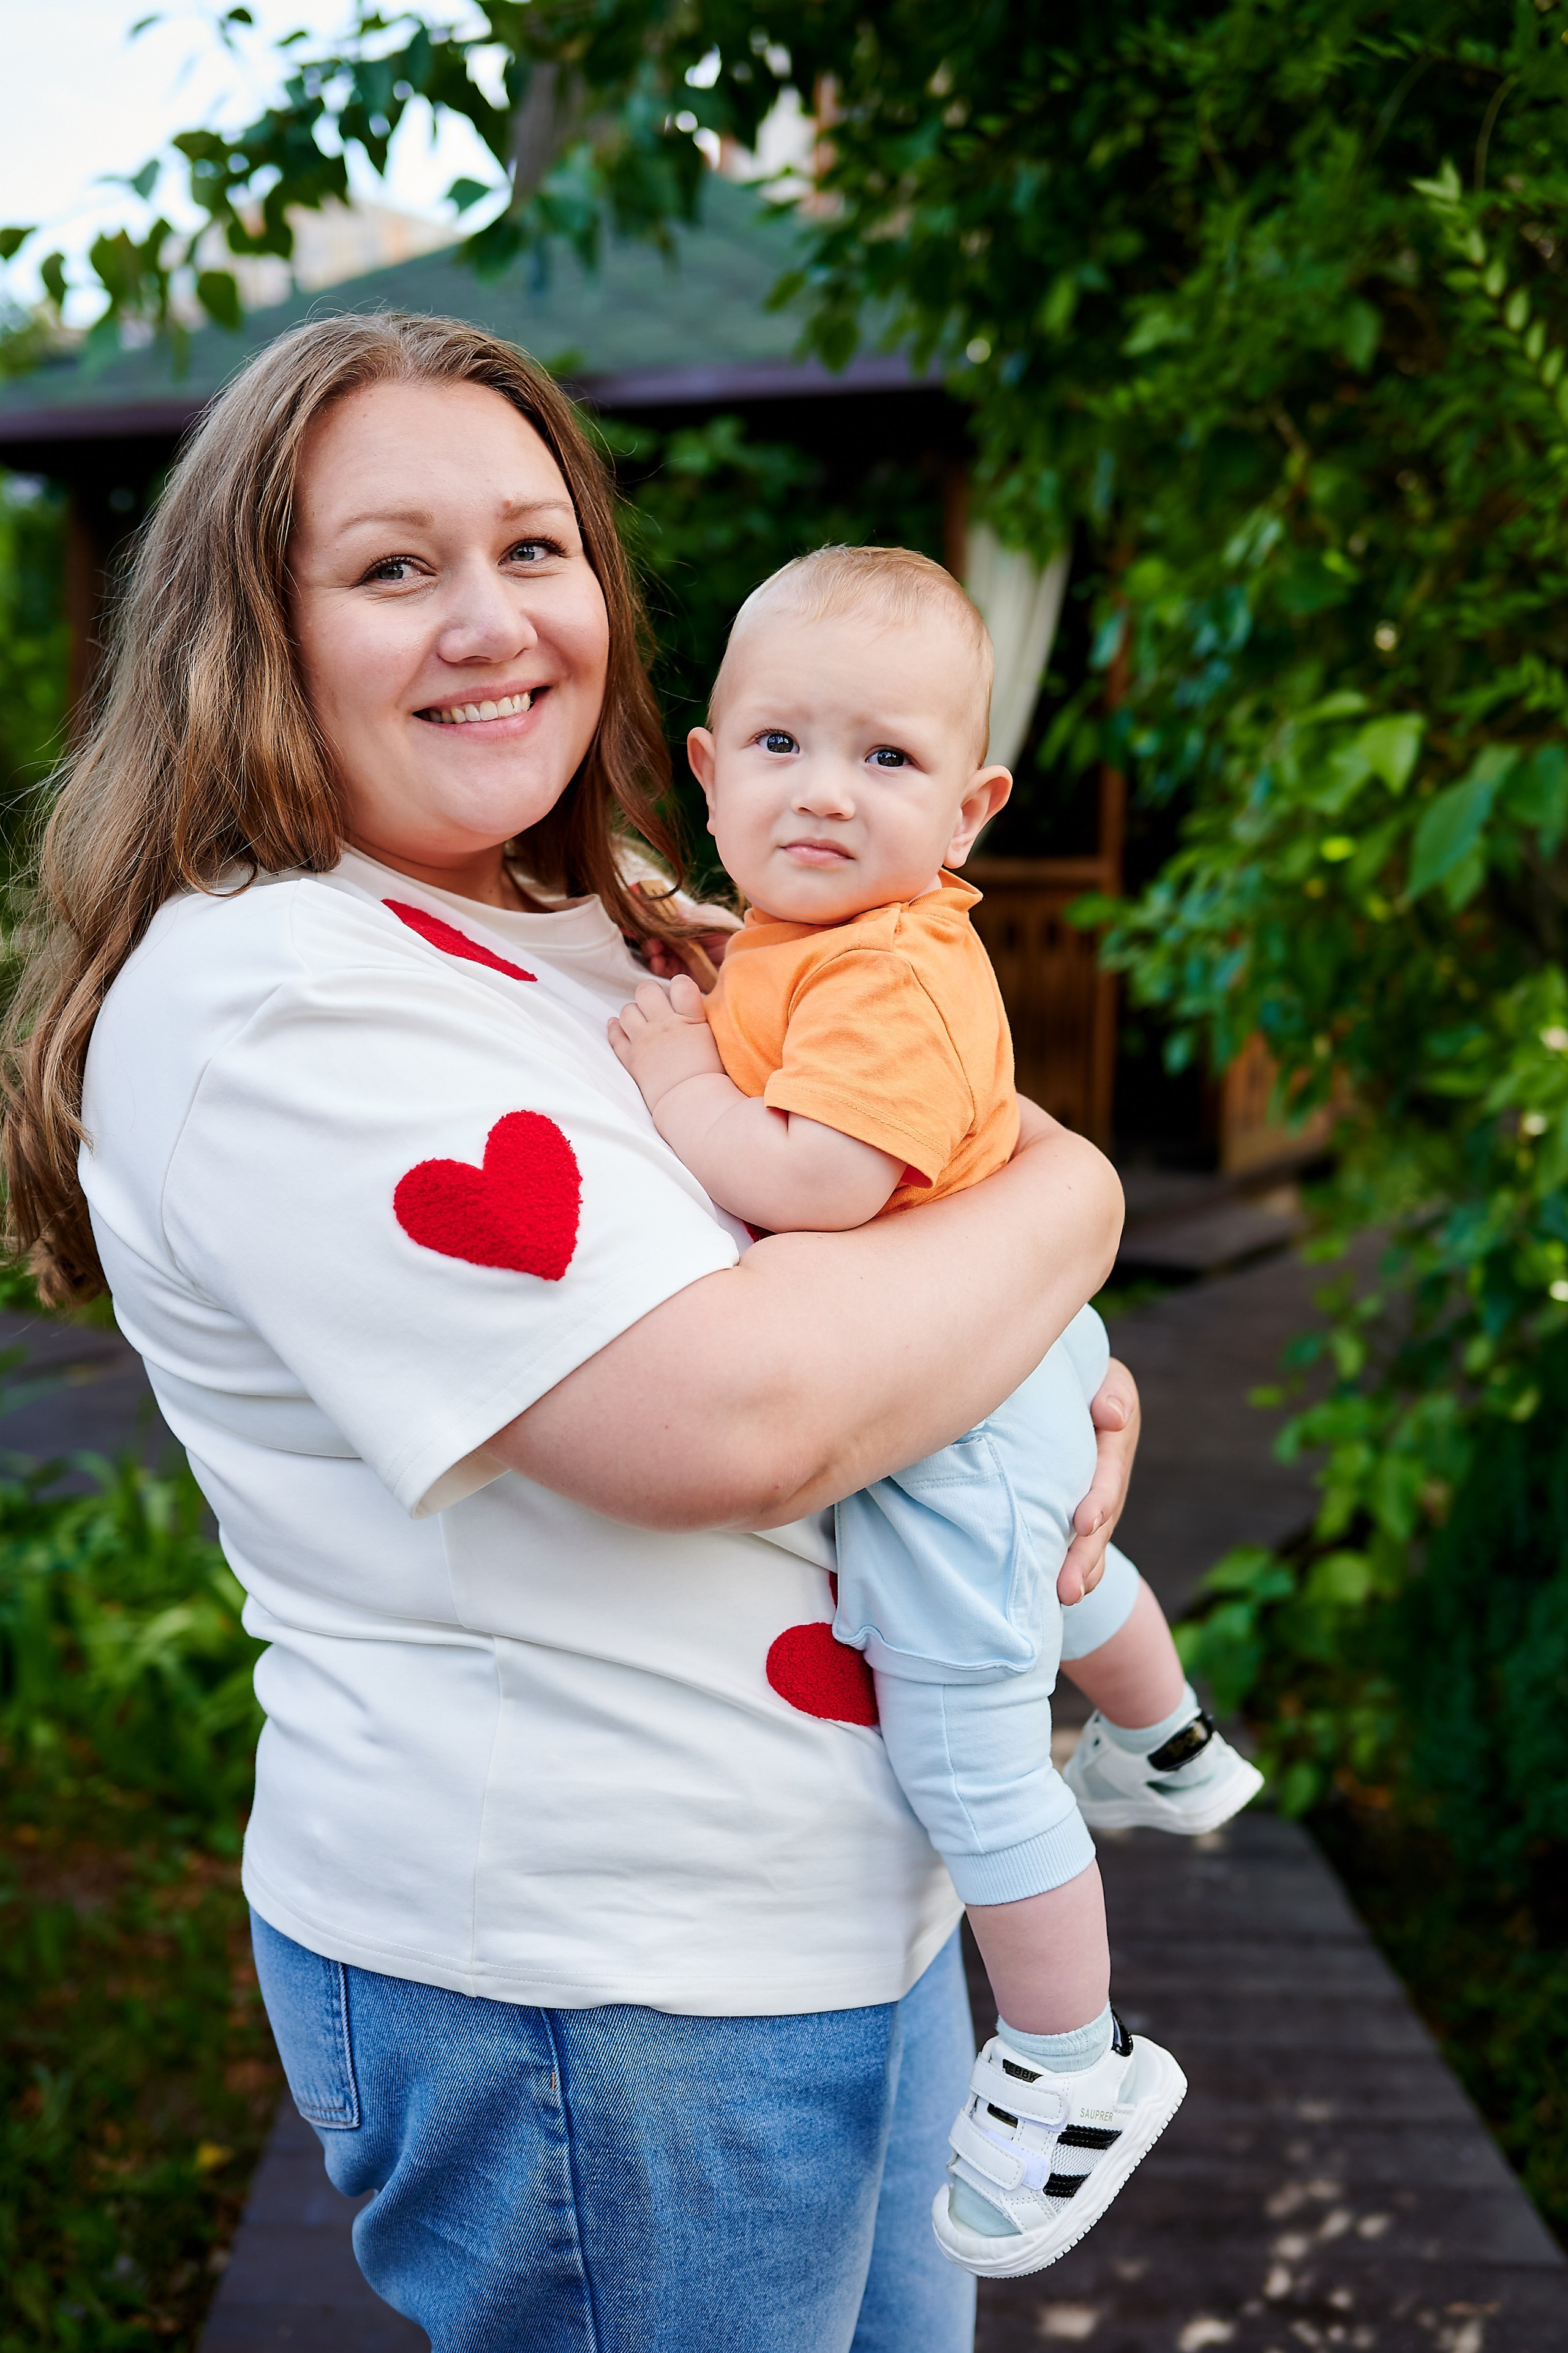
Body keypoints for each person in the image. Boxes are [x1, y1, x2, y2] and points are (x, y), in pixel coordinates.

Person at [0, 314, 1145, 2353]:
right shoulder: (282, 998)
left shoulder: (621, 902)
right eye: (392, 567)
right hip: (602, 1981)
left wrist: (1028, 1350)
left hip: (846, 1910)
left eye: (538, 549)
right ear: (250, 635)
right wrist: (1074, 1236)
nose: (493, 620)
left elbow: (950, 1117)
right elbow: (740, 1412)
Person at [610, 546, 1264, 2280]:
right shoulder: (814, 934)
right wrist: (712, 955)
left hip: (940, 1417)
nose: (825, 794)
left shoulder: (891, 973)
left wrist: (673, 1071)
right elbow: (778, 988)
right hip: (998, 1352)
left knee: (976, 1758)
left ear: (970, 805)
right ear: (708, 766)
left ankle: (1075, 2054)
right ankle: (1171, 1739)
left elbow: (820, 1179)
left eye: (887, 761)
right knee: (1060, 1565)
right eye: (781, 748)